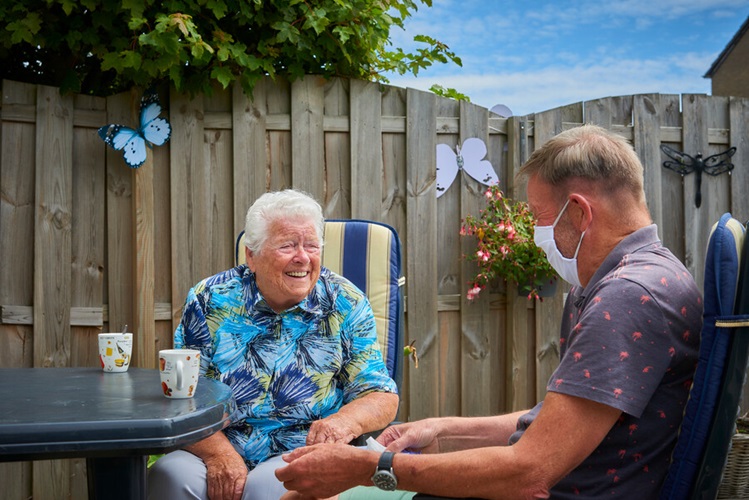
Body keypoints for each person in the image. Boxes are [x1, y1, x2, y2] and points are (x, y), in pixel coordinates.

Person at [275, 124, 702, 499]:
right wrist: (444, 430)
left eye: (538, 217)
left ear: (578, 212)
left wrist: (368, 469)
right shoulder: (634, 278)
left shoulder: (628, 296)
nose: (536, 234)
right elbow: (558, 424)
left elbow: (528, 474)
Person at [148, 189, 399, 500]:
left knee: (274, 486)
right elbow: (179, 392)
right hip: (214, 443)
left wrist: (341, 422)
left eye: (311, 245)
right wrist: (219, 455)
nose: (303, 258)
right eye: (287, 246)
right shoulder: (210, 299)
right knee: (169, 476)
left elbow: (380, 394)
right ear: (251, 256)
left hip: (299, 450)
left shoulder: (346, 303)